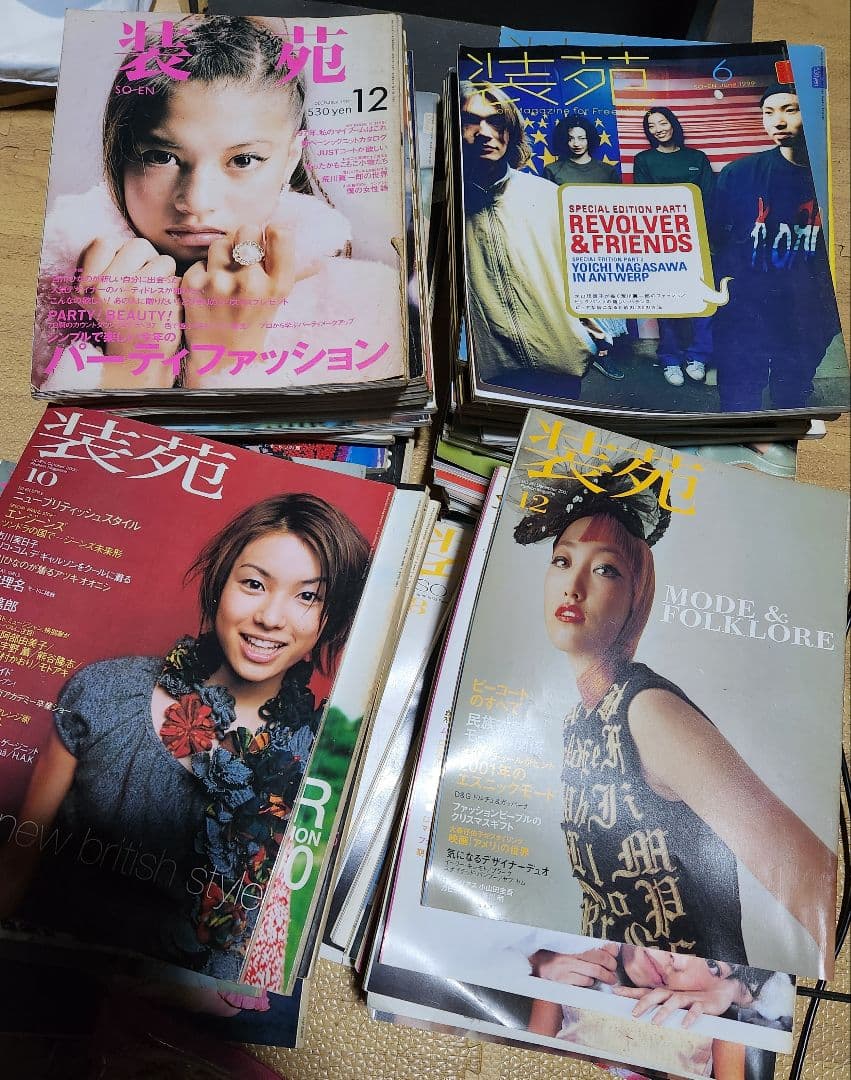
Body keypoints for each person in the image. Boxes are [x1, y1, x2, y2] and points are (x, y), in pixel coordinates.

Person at [0, 493, 370, 993]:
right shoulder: (106, 691)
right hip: (54, 981)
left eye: (308, 596)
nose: (271, 617)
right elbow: (17, 860)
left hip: (198, 1010)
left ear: (333, 615)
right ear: (220, 584)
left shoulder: (325, 764)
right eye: (254, 584)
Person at [512, 465, 836, 972]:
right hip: (618, 999)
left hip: (697, 1006)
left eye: (605, 569)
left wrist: (748, 992)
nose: (572, 586)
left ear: (636, 595)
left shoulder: (648, 712)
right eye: (562, 560)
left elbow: (812, 877)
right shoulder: (578, 719)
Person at [34, 15, 403, 394]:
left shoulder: (367, 304)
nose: (196, 202)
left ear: (290, 159)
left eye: (243, 160)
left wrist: (228, 359)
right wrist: (133, 364)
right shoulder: (48, 295)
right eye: (162, 157)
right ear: (120, 156)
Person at [460, 80, 608, 400]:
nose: (484, 132)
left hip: (561, 363)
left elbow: (585, 271)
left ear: (510, 131)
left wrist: (591, 335)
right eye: (470, 121)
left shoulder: (546, 196)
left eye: (496, 121)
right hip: (491, 372)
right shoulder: (446, 208)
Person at [710, 82, 841, 411]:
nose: (778, 121)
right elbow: (715, 237)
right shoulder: (739, 173)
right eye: (769, 113)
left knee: (791, 392)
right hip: (748, 305)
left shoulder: (835, 177)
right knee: (739, 395)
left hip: (807, 310)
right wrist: (724, 286)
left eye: (790, 110)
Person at [527, 940, 788, 1078]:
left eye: (712, 964)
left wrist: (732, 993)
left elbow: (781, 1000)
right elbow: (532, 1060)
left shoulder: (719, 1021)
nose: (679, 959)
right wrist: (535, 961)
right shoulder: (570, 956)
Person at [632, 106, 716, 387]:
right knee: (667, 302)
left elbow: (709, 198)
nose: (658, 129)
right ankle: (670, 359)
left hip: (698, 239)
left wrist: (699, 233)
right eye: (652, 126)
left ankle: (698, 357)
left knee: (703, 300)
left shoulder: (697, 158)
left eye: (662, 122)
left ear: (673, 124)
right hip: (663, 242)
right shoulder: (644, 160)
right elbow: (644, 202)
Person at [543, 112, 627, 382]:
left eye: (581, 138)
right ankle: (578, 351)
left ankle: (604, 353)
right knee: (573, 299)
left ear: (590, 139)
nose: (576, 143)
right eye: (571, 139)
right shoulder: (553, 171)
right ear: (564, 141)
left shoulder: (606, 171)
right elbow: (547, 211)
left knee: (603, 299)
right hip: (568, 244)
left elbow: (619, 210)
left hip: (601, 246)